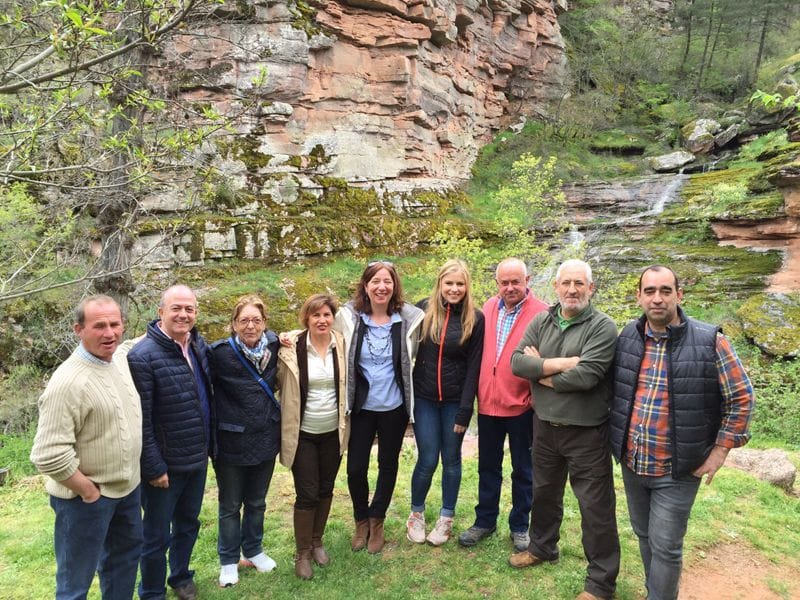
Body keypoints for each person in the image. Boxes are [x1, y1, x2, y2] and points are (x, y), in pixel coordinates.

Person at [610, 265, 754, 600]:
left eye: (665, 291)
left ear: (679, 294)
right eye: (649, 291)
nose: (657, 299)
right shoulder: (628, 337)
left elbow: (742, 397)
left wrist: (720, 451)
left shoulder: (710, 341)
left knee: (667, 547)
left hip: (677, 469)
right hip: (633, 464)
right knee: (645, 536)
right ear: (639, 296)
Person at [509, 259, 619, 600]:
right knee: (543, 493)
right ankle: (542, 547)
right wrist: (557, 366)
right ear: (555, 287)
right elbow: (517, 362)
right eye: (566, 283)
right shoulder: (542, 320)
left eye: (579, 283)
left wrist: (539, 371)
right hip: (544, 426)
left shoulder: (602, 326)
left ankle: (600, 583)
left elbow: (588, 376)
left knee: (595, 507)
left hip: (586, 432)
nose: (572, 290)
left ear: (591, 288)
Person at [30, 295, 143, 600]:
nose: (110, 333)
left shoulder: (117, 358)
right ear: (78, 329)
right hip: (86, 501)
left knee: (123, 565)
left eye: (115, 324)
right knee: (75, 583)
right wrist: (88, 491)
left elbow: (130, 343)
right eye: (99, 326)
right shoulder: (68, 382)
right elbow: (48, 454)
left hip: (127, 491)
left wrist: (167, 325)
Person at [127, 285, 212, 600]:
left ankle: (180, 576)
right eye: (176, 308)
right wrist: (153, 466)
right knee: (156, 535)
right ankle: (150, 591)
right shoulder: (142, 357)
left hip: (197, 458)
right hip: (164, 467)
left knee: (188, 524)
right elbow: (142, 420)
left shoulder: (197, 346)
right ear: (160, 311)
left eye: (189, 309)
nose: (183, 314)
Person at [335, 260, 424, 554]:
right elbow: (320, 332)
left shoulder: (409, 320)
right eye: (375, 281)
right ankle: (361, 520)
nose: (381, 287)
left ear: (394, 286)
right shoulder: (349, 318)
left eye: (387, 281)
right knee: (355, 467)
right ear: (365, 285)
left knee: (388, 465)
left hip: (394, 408)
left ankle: (378, 520)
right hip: (360, 407)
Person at [458, 258, 547, 552]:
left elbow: (546, 360)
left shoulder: (542, 313)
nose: (510, 287)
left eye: (515, 282)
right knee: (488, 468)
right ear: (497, 283)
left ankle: (520, 526)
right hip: (488, 405)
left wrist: (534, 398)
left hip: (522, 406)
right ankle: (485, 521)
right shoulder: (487, 308)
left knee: (524, 469)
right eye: (504, 282)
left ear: (527, 280)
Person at [406, 259, 484, 546]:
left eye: (459, 284)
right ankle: (416, 514)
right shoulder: (423, 309)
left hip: (454, 403)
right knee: (427, 458)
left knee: (451, 459)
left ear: (467, 286)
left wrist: (465, 410)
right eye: (449, 283)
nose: (454, 289)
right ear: (440, 284)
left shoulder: (475, 318)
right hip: (424, 399)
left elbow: (474, 368)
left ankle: (446, 517)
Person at [209, 294, 280, 587]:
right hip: (231, 441)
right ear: (234, 324)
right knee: (229, 504)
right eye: (244, 320)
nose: (250, 326)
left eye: (256, 320)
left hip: (265, 436)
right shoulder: (219, 352)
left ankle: (253, 550)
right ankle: (228, 559)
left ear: (264, 323)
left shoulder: (275, 345)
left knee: (257, 502)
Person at [277, 293, 348, 579]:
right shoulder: (290, 347)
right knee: (306, 493)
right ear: (306, 318)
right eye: (315, 315)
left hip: (334, 431)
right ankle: (302, 552)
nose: (322, 320)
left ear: (333, 318)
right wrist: (285, 335)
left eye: (327, 315)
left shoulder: (340, 343)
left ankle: (317, 540)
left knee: (326, 489)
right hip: (302, 433)